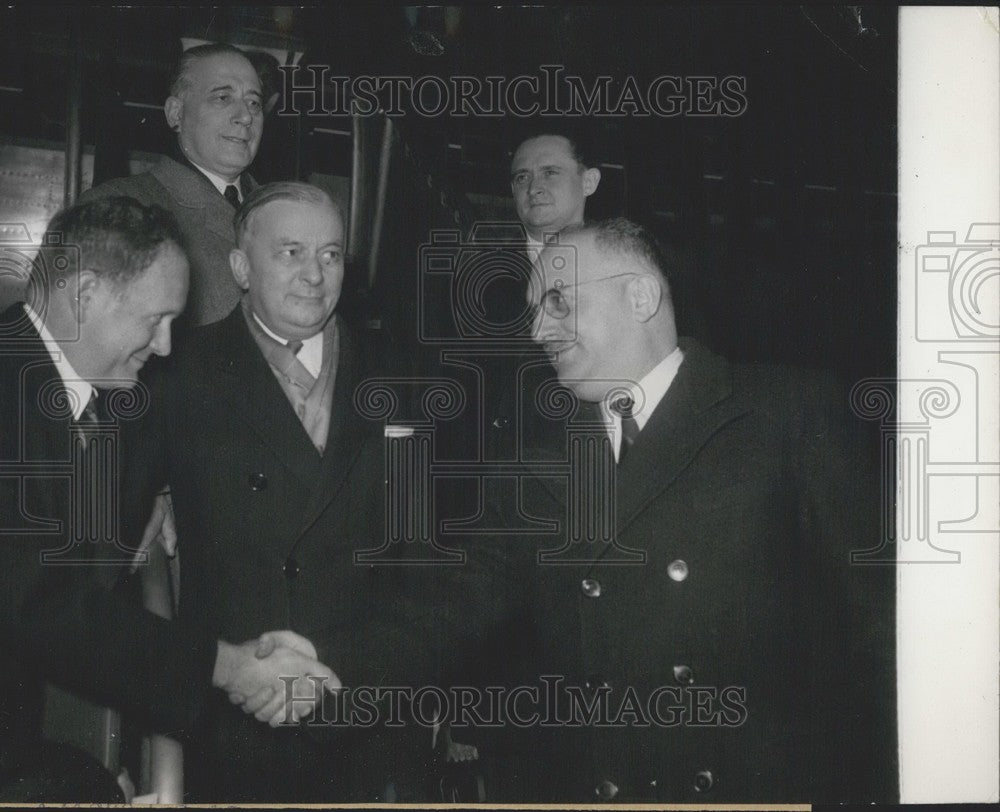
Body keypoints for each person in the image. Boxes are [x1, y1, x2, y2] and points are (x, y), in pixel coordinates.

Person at [457, 217, 897, 803]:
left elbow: (881, 628)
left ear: (640, 296)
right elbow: (453, 597)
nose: (539, 329)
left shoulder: (789, 411)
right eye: (533, 309)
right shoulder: (536, 457)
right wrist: (324, 657)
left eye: (557, 301)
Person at [0, 197, 336, 802]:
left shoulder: (51, 389)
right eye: (156, 319)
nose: (163, 346)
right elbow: (40, 607)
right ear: (85, 296)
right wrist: (228, 667)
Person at [137, 182, 446, 802]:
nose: (314, 275)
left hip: (366, 713)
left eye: (330, 255)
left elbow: (427, 566)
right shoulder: (174, 373)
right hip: (234, 722)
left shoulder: (404, 377)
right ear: (240, 267)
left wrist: (347, 669)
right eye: (290, 253)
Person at [79, 43, 264, 326]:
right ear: (176, 113)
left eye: (254, 102)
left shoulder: (287, 212)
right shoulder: (113, 206)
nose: (246, 116)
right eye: (223, 98)